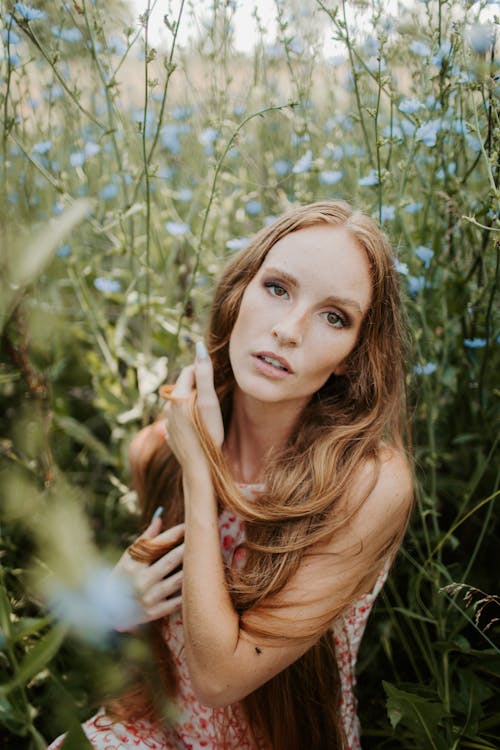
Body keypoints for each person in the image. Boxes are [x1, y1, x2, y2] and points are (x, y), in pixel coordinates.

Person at [49, 200, 413, 750]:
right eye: (277, 288)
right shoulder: (157, 446)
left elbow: (220, 679)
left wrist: (203, 472)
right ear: (240, 291)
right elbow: (150, 644)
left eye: (334, 317)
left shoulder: (367, 483)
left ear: (351, 357)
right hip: (153, 727)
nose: (289, 330)